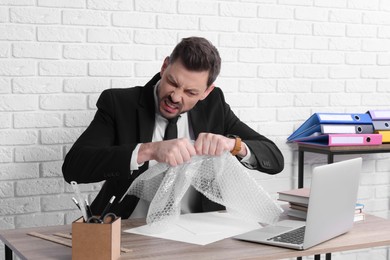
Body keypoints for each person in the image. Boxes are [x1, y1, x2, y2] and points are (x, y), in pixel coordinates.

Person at [62, 37, 284, 219]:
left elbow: (274, 159)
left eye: (191, 93)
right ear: (164, 66)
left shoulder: (214, 105)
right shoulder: (119, 104)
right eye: (173, 82)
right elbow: (73, 167)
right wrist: (148, 150)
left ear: (206, 92)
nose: (175, 97)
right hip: (128, 226)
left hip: (197, 230)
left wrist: (233, 145)